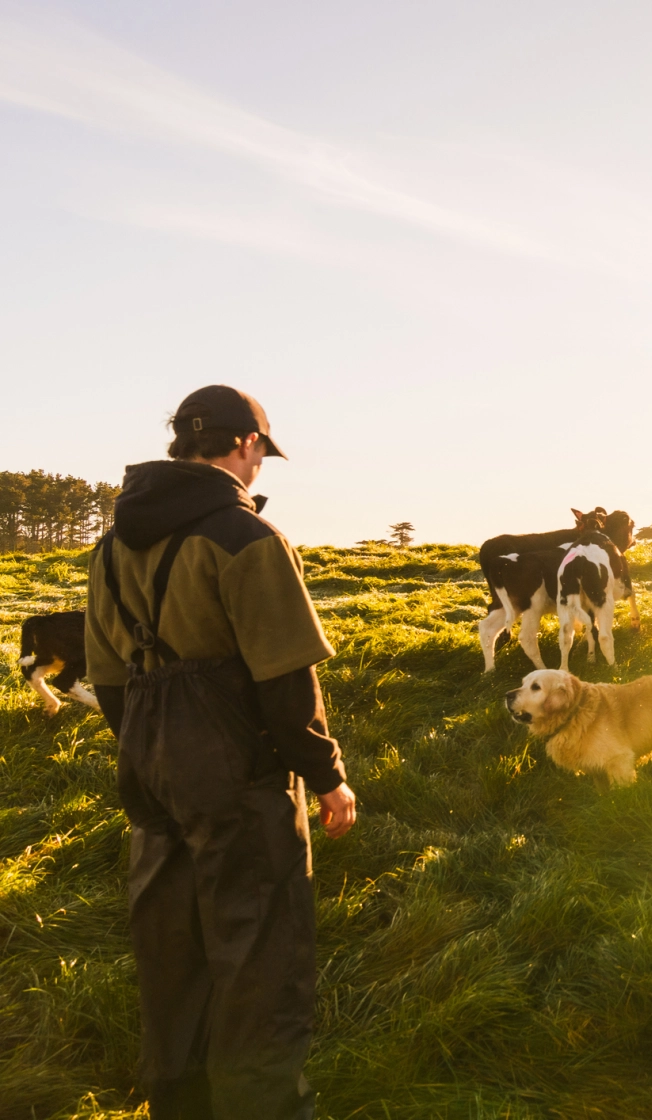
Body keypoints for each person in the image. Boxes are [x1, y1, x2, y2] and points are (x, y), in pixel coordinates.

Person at [85, 385, 355, 1119]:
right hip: (238, 774)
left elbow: (109, 682)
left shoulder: (110, 547)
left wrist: (156, 747)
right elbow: (286, 683)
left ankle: (180, 1104)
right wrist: (327, 776)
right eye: (262, 450)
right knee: (261, 955)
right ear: (244, 445)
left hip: (149, 764)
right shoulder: (247, 540)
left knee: (171, 948)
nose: (261, 464)